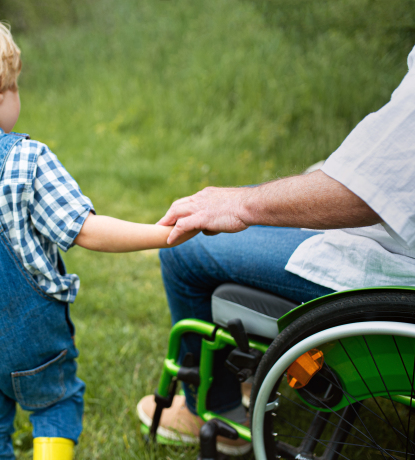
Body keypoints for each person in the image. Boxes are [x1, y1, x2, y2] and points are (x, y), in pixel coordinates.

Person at [0, 7, 197, 460]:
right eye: (15, 85)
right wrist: (160, 234)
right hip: (30, 342)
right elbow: (85, 230)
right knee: (53, 404)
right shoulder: (26, 158)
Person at [136, 44, 415, 456]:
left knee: (185, 247)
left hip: (387, 272)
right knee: (261, 196)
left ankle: (212, 410)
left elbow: (368, 192)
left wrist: (241, 205)